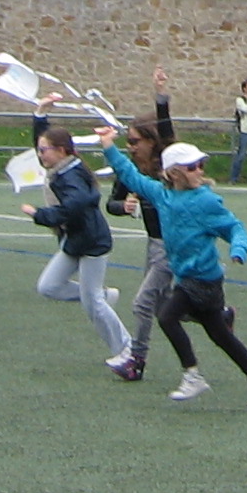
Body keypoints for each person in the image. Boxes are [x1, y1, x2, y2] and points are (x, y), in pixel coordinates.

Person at [99, 133, 247, 404]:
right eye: (192, 167)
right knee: (220, 335)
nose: (199, 171)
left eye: (201, 165)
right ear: (174, 173)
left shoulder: (205, 201)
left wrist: (238, 249)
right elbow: (131, 177)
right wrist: (108, 146)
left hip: (204, 281)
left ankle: (192, 376)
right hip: (186, 277)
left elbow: (234, 227)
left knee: (167, 316)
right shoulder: (162, 195)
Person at [20, 124, 131, 363]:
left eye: (43, 151)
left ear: (61, 150)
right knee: (48, 286)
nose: (40, 155)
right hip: (74, 241)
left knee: (94, 306)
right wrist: (40, 113)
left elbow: (76, 204)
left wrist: (40, 215)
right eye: (39, 150)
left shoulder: (70, 175)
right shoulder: (64, 166)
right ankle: (101, 295)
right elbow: (46, 142)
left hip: (92, 243)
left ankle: (126, 350)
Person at [101, 73, 181, 382]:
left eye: (135, 142)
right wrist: (124, 207)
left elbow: (167, 130)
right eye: (127, 142)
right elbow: (111, 203)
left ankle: (137, 360)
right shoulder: (131, 170)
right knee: (166, 307)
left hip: (172, 243)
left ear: (152, 141)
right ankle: (216, 314)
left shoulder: (166, 163)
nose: (130, 147)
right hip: (154, 242)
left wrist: (161, 95)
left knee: (143, 302)